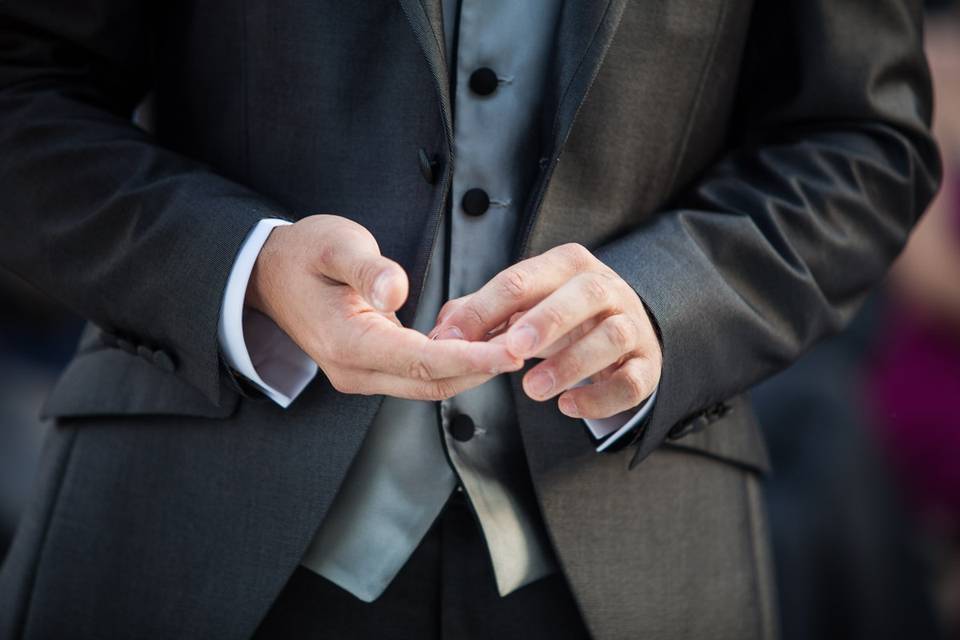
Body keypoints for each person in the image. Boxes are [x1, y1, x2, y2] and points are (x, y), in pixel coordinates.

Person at [0, 1, 938, 638]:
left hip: (638, 569)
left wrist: (666, 301)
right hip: (184, 546)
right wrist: (247, 267)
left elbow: (861, 141)